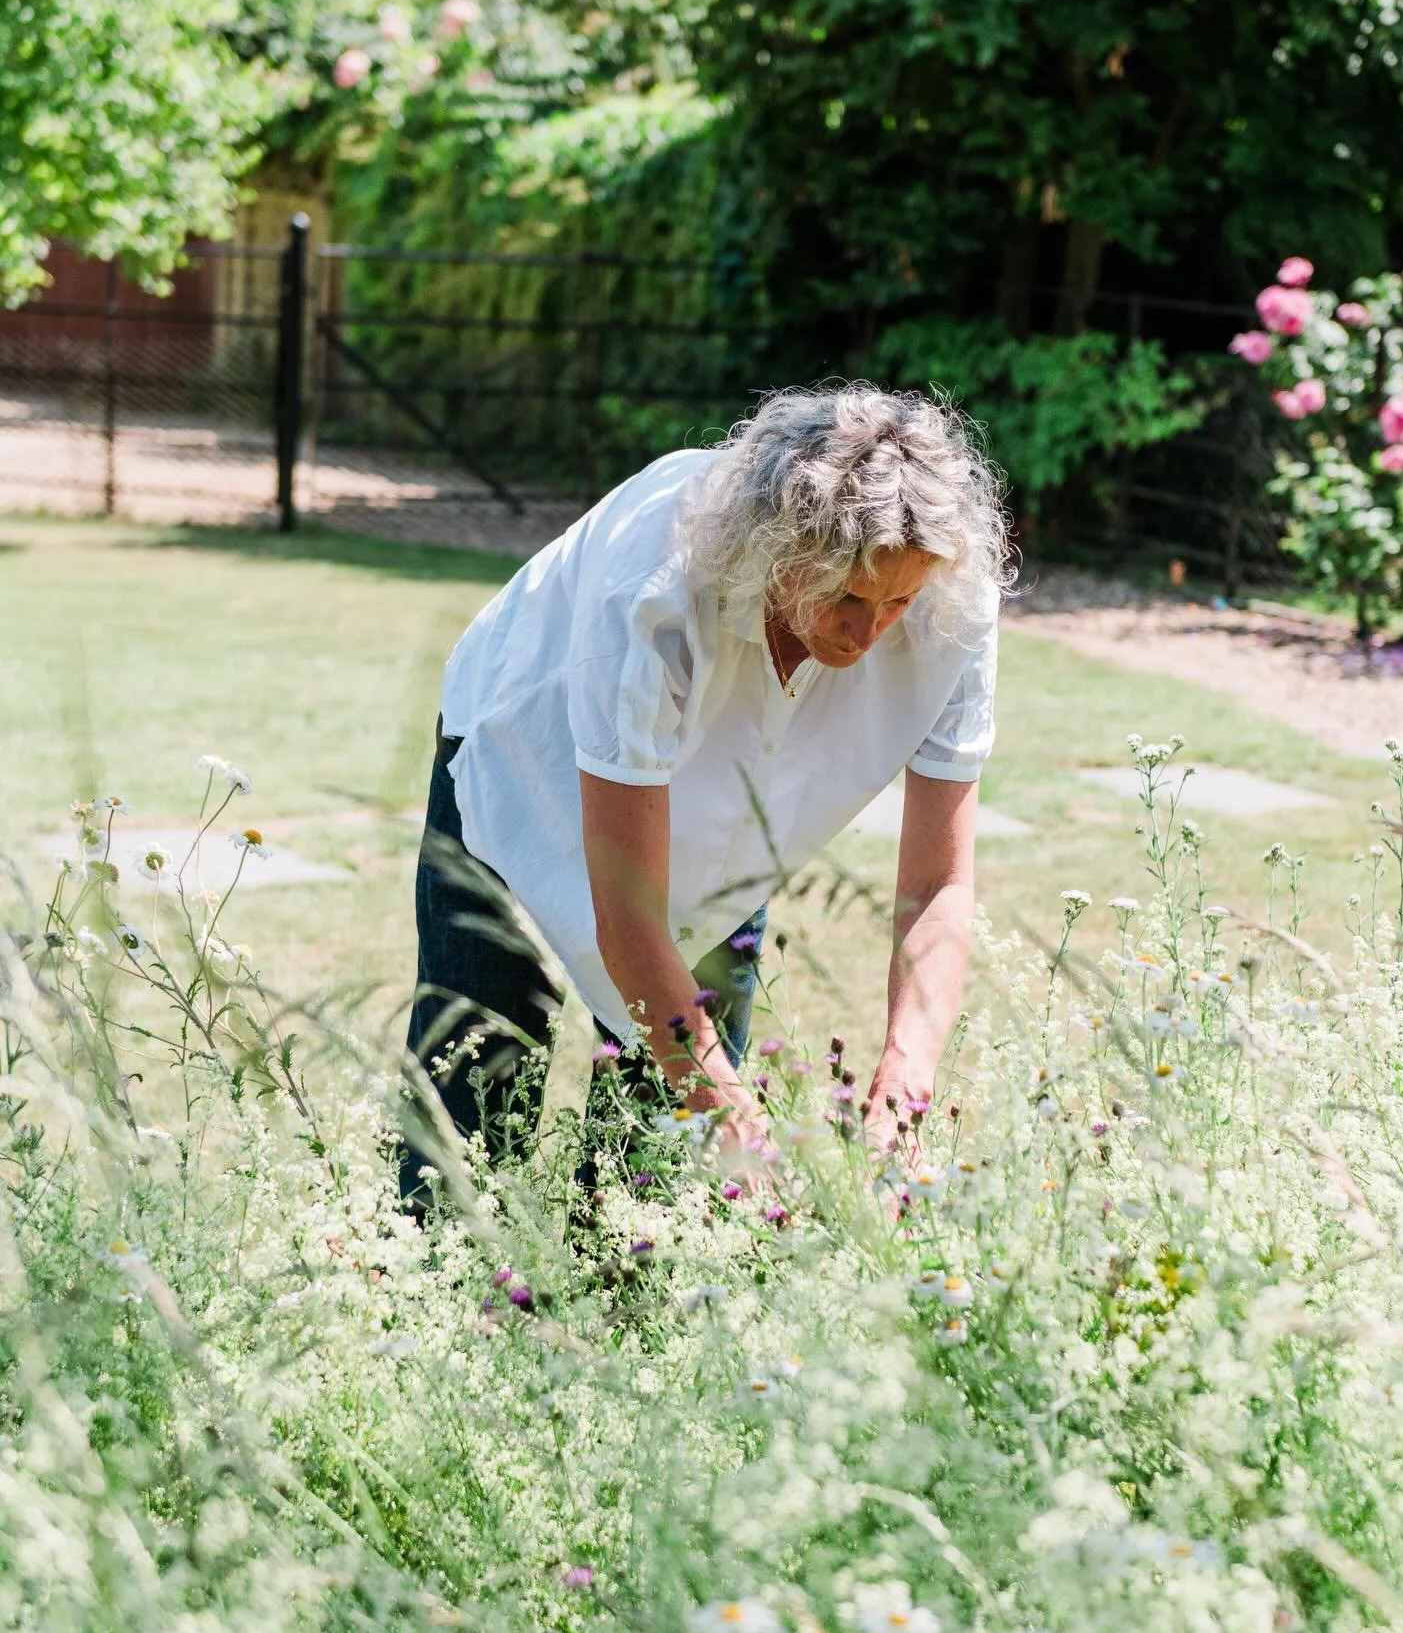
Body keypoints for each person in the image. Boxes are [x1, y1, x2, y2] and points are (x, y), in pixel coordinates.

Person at [398, 383, 1011, 1206]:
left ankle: (621, 1321)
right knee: (475, 1105)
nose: (870, 635)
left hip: (731, 821)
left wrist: (903, 1090)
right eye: (845, 599)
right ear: (770, 551)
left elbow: (938, 886)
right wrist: (740, 1123)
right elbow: (629, 917)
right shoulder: (653, 587)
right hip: (522, 767)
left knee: (663, 1179)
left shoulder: (953, 597)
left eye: (896, 601)